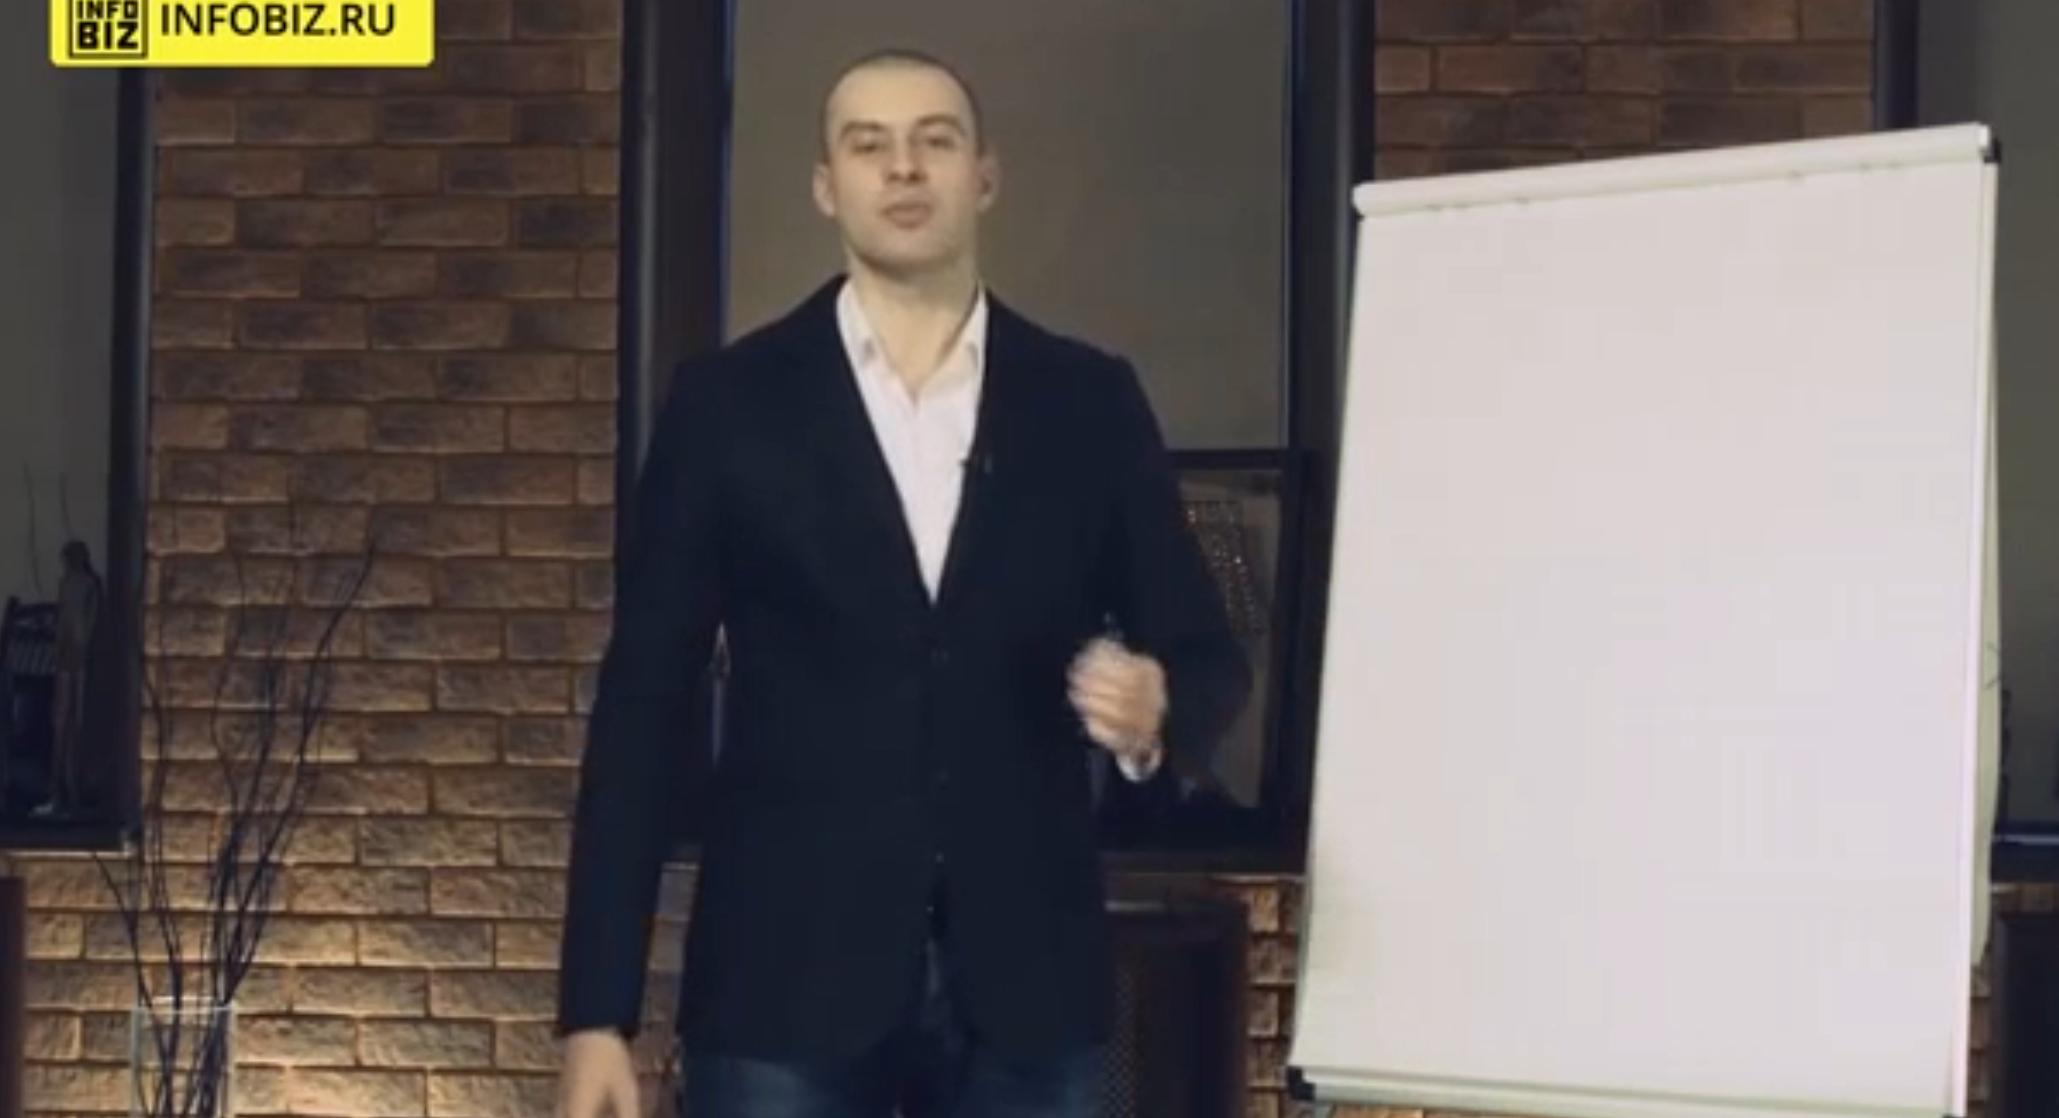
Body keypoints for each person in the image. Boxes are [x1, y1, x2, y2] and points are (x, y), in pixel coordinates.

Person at [555, 46, 1250, 1118]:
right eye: (868, 145)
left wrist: (1159, 706)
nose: (904, 168)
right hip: (782, 982)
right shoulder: (727, 406)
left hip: (1028, 989)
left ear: (984, 176)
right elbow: (643, 703)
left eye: (935, 140)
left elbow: (1205, 654)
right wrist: (597, 1012)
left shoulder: (1087, 402)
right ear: (827, 186)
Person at [34, 540, 100, 818]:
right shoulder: (73, 584)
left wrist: (75, 649)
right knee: (64, 726)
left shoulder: (86, 585)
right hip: (69, 658)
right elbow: (66, 622)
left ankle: (70, 794)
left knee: (72, 727)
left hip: (78, 659)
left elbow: (83, 624)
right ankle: (60, 793)